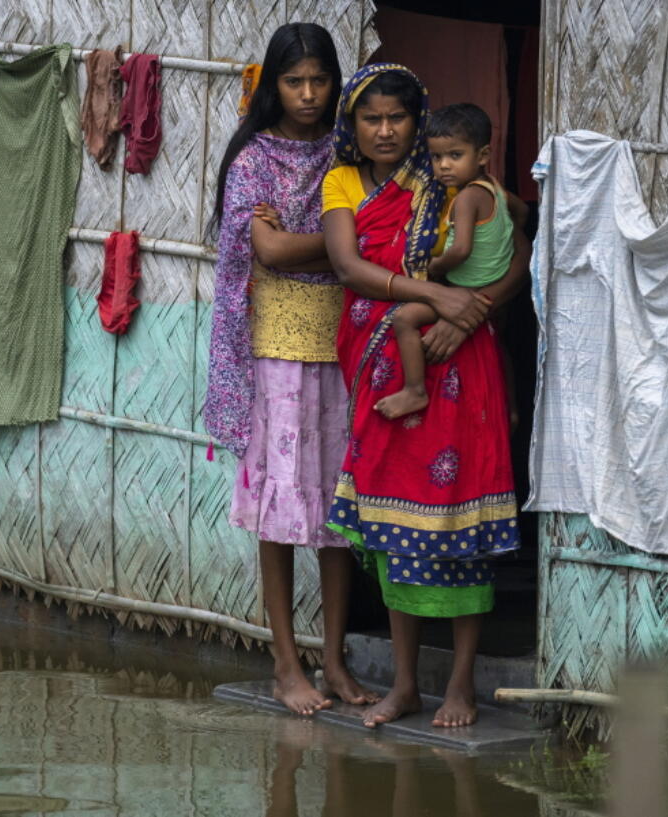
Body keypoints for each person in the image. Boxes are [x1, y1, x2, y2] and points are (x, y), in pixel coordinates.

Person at [321, 64, 529, 728]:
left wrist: (472, 311)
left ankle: (462, 683)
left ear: (420, 121)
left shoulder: (457, 179)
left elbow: (523, 244)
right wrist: (439, 298)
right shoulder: (346, 182)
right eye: (371, 118)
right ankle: (406, 684)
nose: (385, 130)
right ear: (352, 124)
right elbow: (351, 266)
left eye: (398, 118)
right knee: (392, 525)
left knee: (461, 525)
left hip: (464, 364)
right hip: (391, 371)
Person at [203, 22, 375, 716]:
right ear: (272, 86)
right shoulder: (253, 161)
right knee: (279, 512)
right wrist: (339, 243)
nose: (308, 94)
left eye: (320, 80)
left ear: (337, 83)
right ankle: (284, 662)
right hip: (274, 349)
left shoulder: (351, 152)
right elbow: (269, 254)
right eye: (294, 81)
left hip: (342, 346)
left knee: (338, 510)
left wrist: (315, 243)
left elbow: (358, 235)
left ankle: (332, 660)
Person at [374, 103, 524, 420]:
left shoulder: (466, 198)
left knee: (404, 319)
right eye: (437, 157)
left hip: (465, 290)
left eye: (455, 156)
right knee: (503, 347)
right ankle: (512, 408)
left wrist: (435, 267)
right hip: (490, 285)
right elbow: (522, 212)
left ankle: (414, 390)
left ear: (482, 156)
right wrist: (503, 235)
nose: (443, 166)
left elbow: (462, 251)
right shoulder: (495, 188)